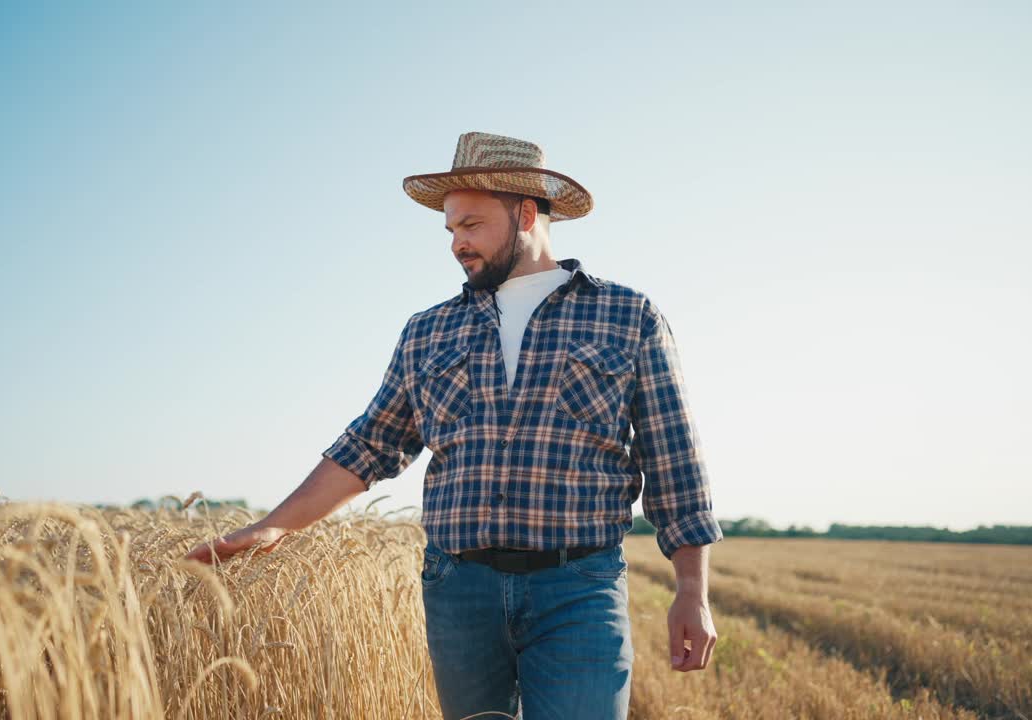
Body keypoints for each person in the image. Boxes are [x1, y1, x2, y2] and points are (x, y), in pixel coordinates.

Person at [186, 131, 724, 720]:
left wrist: (692, 593)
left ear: (525, 214)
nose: (456, 244)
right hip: (459, 591)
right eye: (450, 230)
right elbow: (370, 445)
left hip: (578, 588)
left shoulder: (628, 316)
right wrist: (274, 528)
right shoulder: (428, 331)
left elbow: (674, 463)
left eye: (471, 225)